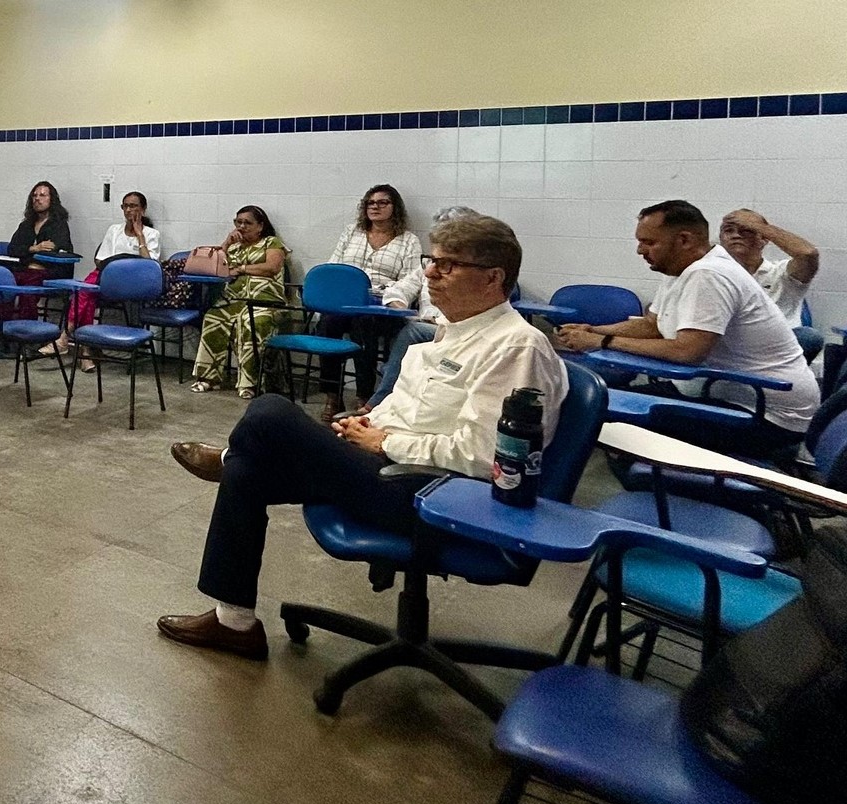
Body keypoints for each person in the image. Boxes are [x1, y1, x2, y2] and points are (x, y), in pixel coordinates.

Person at [157, 214, 568, 660]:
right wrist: (363, 425)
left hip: (442, 497)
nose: (430, 273)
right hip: (393, 471)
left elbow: (485, 457)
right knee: (248, 471)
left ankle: (226, 459)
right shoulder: (452, 332)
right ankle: (233, 623)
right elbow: (416, 411)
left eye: (448, 265)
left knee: (269, 412)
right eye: (431, 261)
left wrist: (384, 443)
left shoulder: (515, 346)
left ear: (493, 278)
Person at [555, 200, 818, 457]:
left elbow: (687, 352)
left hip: (766, 415)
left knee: (604, 419)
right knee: (598, 402)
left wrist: (602, 342)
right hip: (725, 393)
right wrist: (594, 330)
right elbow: (652, 325)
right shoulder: (681, 270)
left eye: (649, 242)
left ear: (684, 240)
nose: (640, 250)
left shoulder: (709, 274)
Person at [316, 185, 424, 421]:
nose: (375, 207)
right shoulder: (351, 232)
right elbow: (334, 265)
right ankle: (332, 396)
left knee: (363, 324)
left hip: (382, 306)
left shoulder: (408, 241)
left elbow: (412, 279)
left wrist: (386, 294)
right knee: (327, 322)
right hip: (347, 300)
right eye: (370, 203)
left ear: (395, 208)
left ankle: (364, 397)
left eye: (382, 202)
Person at [365, 206, 482, 408]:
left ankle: (377, 402)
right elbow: (398, 290)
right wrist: (402, 308)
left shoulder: (474, 272)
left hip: (459, 332)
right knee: (379, 324)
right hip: (424, 326)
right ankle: (390, 394)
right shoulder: (428, 267)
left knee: (414, 331)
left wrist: (436, 322)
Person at [48, 191, 160, 364]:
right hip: (108, 278)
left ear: (143, 210)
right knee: (85, 292)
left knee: (88, 291)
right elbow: (101, 259)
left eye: (133, 206)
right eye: (125, 206)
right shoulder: (114, 230)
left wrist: (140, 236)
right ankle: (85, 349)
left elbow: (149, 266)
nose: (128, 210)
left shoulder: (152, 234)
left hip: (132, 283)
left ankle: (66, 338)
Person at [191, 206, 287, 399]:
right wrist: (227, 243)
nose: (241, 226)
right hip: (234, 300)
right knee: (213, 318)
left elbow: (272, 267)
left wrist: (242, 269)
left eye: (247, 223)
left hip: (265, 301)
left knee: (250, 323)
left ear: (260, 226)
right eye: (238, 222)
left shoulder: (271, 242)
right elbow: (216, 265)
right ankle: (208, 378)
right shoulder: (234, 247)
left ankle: (250, 383)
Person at [719, 208, 822, 360]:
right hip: (731, 348)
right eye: (729, 230)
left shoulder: (781, 273)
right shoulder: (713, 275)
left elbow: (807, 253)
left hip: (777, 349)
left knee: (809, 337)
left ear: (764, 239)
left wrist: (759, 226)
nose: (736, 235)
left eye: (746, 230)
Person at [4, 181, 73, 320]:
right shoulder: (26, 225)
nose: (37, 199)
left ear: (51, 199)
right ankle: (2, 324)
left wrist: (27, 253)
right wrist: (33, 248)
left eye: (42, 195)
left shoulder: (59, 225)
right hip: (25, 270)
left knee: (28, 287)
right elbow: (12, 249)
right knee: (3, 281)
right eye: (34, 195)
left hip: (50, 273)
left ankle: (27, 327)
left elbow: (54, 250)